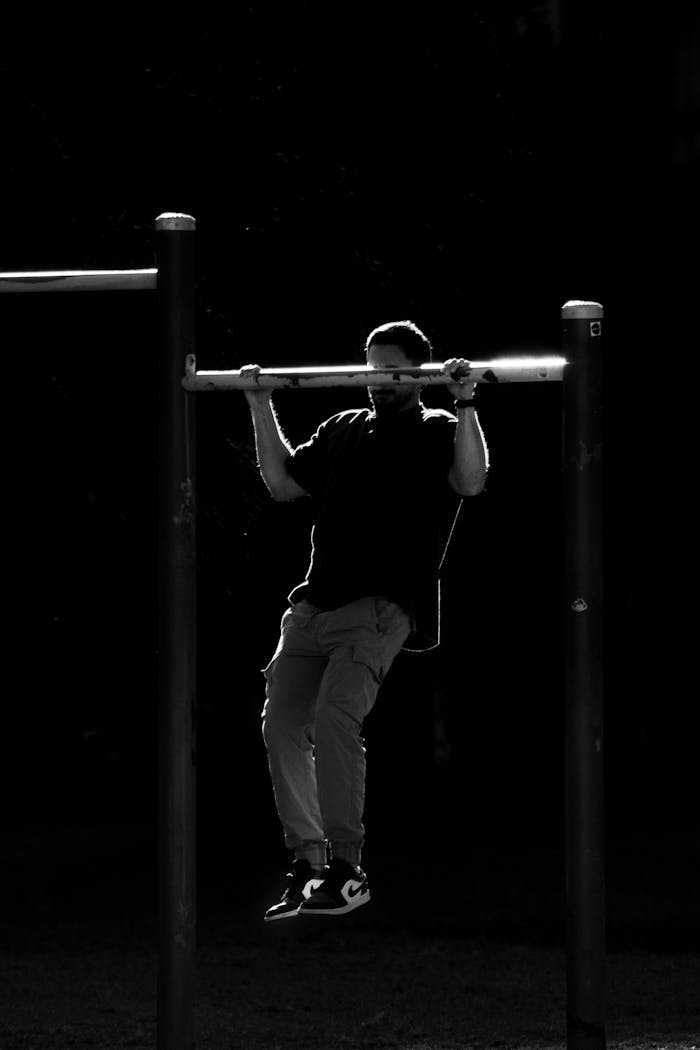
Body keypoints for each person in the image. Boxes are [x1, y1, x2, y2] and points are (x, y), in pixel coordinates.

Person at [240, 320, 489, 921]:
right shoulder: (344, 429)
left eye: (392, 370)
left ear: (416, 372)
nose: (379, 380)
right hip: (313, 606)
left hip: (378, 608)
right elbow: (280, 483)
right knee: (281, 724)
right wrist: (259, 401)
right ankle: (308, 862)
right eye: (372, 367)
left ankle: (348, 869)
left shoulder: (438, 430)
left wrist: (466, 403)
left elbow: (472, 481)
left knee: (335, 716)